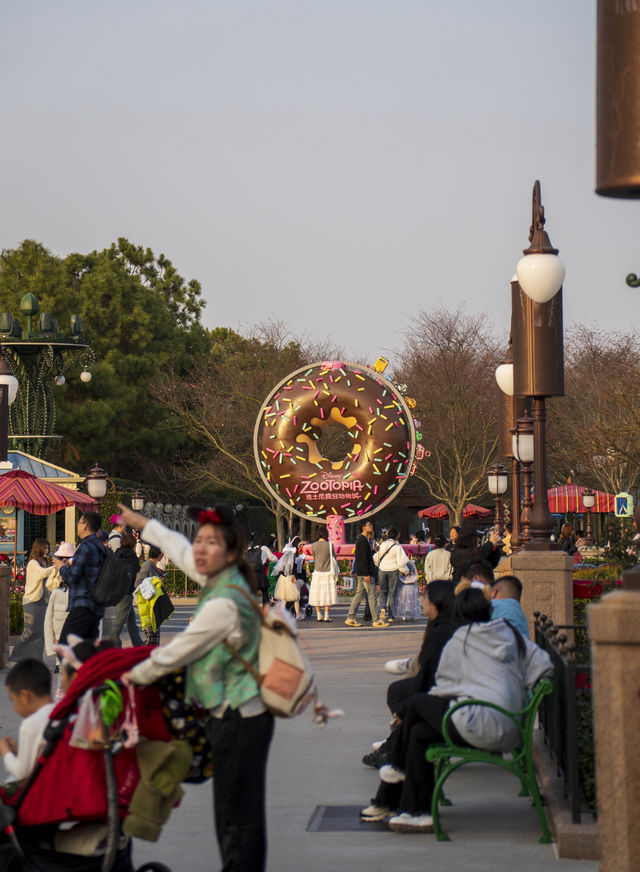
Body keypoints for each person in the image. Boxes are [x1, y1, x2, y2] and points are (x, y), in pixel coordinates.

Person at [117, 500, 274, 872]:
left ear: (230, 552)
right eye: (199, 540)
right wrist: (145, 524)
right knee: (239, 809)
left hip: (239, 719)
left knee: (236, 813)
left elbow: (175, 654)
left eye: (211, 543)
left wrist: (125, 675)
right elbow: (180, 549)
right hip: (241, 715)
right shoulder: (223, 579)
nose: (200, 549)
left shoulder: (225, 601)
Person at [361, 588, 552, 831]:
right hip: (511, 724)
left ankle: (397, 769)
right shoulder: (510, 634)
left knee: (417, 704)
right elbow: (544, 666)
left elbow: (441, 687)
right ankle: (415, 811)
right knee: (418, 733)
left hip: (478, 722)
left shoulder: (461, 639)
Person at [363, 580, 455, 769]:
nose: (423, 603)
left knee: (411, 704)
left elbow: (428, 678)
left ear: (437, 603)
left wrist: (403, 711)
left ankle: (393, 746)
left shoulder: (442, 632)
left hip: (452, 702)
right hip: (452, 696)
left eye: (426, 598)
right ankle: (393, 745)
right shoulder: (443, 627)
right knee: (400, 693)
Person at [0, 659, 54, 781]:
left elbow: (21, 772)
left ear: (25, 696)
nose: (14, 706)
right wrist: (19, 750)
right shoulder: (59, 710)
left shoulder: (31, 724)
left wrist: (5, 751)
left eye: (13, 700)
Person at [57, 512, 106, 644]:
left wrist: (61, 567)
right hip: (96, 605)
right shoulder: (99, 546)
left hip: (83, 603)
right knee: (88, 649)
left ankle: (74, 665)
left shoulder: (85, 546)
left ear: (85, 526)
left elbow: (72, 577)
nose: (77, 525)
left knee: (64, 646)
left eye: (79, 523)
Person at [10, 539, 55, 663]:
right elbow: (43, 574)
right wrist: (57, 565)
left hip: (42, 602)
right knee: (28, 632)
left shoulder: (44, 563)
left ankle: (36, 660)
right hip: (31, 601)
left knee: (40, 633)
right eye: (45, 548)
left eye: (48, 548)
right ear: (39, 548)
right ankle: (14, 658)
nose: (47, 550)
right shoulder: (33, 563)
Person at [345, 520, 387, 628]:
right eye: (369, 525)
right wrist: (366, 574)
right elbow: (362, 559)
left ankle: (350, 617)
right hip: (365, 573)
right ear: (364, 527)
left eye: (371, 524)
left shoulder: (363, 540)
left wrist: (373, 551)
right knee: (372, 596)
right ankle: (376, 620)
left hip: (362, 573)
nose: (371, 526)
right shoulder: (363, 541)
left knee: (359, 595)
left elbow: (364, 556)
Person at [43, 542, 75, 669]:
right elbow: (50, 585)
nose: (53, 561)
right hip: (58, 620)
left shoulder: (74, 576)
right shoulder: (57, 575)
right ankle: (58, 663)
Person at [110, 531, 143, 647]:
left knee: (131, 622)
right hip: (126, 592)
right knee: (119, 622)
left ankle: (139, 646)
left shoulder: (117, 553)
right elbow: (136, 574)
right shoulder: (132, 558)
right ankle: (113, 644)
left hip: (115, 590)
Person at [374, 526, 409, 622]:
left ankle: (382, 608)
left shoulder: (383, 545)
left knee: (383, 592)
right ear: (397, 535)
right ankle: (391, 616)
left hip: (382, 570)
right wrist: (406, 571)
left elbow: (376, 557)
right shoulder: (397, 547)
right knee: (392, 594)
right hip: (393, 571)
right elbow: (401, 562)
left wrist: (378, 565)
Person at [309, 528, 338, 622]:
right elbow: (334, 557)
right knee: (327, 594)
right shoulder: (330, 545)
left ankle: (318, 615)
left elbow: (314, 558)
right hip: (328, 573)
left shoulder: (313, 545)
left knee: (316, 594)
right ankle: (326, 615)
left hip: (317, 572)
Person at [273, 536, 304, 620]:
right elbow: (294, 573)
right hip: (291, 580)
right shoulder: (292, 563)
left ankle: (282, 615)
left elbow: (280, 571)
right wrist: (296, 579)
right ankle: (298, 614)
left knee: (284, 599)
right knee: (296, 598)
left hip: (283, 580)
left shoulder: (282, 561)